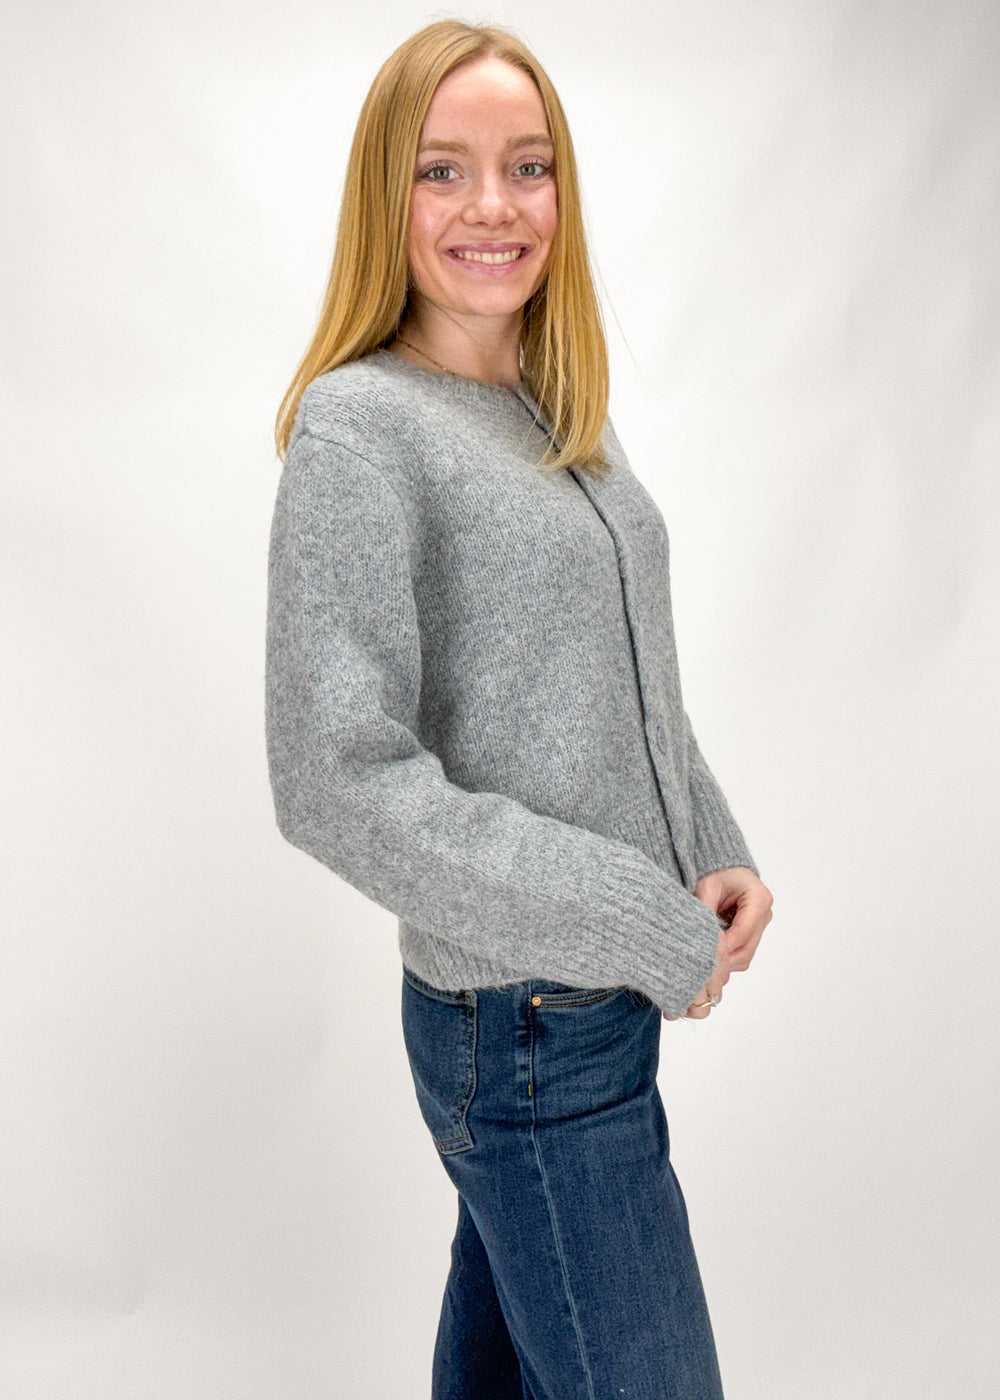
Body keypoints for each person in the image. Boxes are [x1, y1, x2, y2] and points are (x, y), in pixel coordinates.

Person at [266, 18, 772, 1399]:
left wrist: (707, 842)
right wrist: (629, 915)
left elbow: (617, 670)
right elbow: (334, 779)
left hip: (580, 1010)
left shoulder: (556, 405)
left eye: (528, 166)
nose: (493, 205)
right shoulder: (361, 432)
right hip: (528, 1024)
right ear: (387, 196)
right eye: (443, 170)